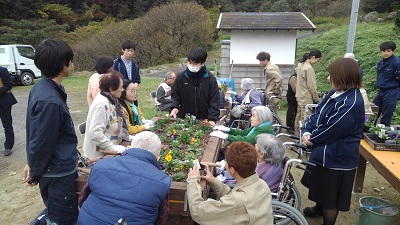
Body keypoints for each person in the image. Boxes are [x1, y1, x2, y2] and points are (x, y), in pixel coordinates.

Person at [301, 58, 364, 225]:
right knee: (320, 187)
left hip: (337, 156)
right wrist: (306, 130)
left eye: (331, 75)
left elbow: (331, 130)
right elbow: (316, 113)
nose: (328, 78)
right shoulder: (334, 93)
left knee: (331, 196)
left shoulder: (351, 103)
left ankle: (328, 222)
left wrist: (311, 139)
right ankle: (318, 208)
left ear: (343, 77)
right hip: (324, 152)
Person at [22, 38, 79, 225]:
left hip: (55, 168)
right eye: (69, 60)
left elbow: (36, 132)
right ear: (63, 65)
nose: (71, 63)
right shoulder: (49, 100)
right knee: (63, 219)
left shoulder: (43, 87)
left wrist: (31, 163)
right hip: (57, 174)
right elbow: (42, 142)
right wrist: (35, 172)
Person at [78, 131, 172, 225]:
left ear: (129, 147)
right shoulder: (161, 181)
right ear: (157, 158)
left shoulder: (100, 166)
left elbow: (82, 200)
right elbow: (161, 218)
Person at [187, 141, 273, 225]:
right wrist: (213, 180)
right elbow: (234, 197)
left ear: (232, 170)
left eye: (226, 162)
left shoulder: (236, 202)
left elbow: (197, 212)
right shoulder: (262, 184)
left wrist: (193, 180)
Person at [83, 70, 129, 160]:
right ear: (111, 88)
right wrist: (113, 148)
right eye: (121, 87)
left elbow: (114, 123)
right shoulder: (102, 104)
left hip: (113, 148)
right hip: (99, 156)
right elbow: (95, 133)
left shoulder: (112, 100)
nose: (122, 90)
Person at [170, 47, 219, 126]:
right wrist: (175, 106)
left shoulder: (210, 79)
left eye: (195, 63)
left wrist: (212, 118)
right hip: (184, 118)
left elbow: (214, 100)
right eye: (190, 62)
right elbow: (175, 93)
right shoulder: (181, 77)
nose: (192, 66)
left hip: (204, 120)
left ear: (203, 63)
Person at [294, 50, 322, 136]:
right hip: (306, 96)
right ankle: (303, 138)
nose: (317, 62)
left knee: (298, 116)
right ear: (313, 57)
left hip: (299, 95)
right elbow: (311, 85)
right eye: (317, 60)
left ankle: (296, 135)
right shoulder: (308, 68)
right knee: (305, 117)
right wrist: (316, 98)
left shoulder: (300, 66)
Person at [373, 41, 400, 126]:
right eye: (383, 51)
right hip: (381, 90)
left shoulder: (397, 63)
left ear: (393, 51)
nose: (386, 53)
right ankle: (367, 128)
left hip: (392, 91)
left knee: (387, 113)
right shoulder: (380, 63)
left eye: (388, 51)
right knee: (373, 110)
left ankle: (383, 135)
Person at [113, 40, 141, 106]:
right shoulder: (116, 63)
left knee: (134, 110)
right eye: (128, 51)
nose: (130, 53)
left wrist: (135, 85)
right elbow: (114, 78)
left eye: (132, 51)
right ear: (123, 50)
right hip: (121, 93)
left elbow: (137, 78)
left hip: (132, 92)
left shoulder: (134, 63)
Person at [0, 66, 17, 156]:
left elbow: (8, 85)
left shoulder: (2, 70)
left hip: (3, 103)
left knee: (7, 125)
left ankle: (8, 146)